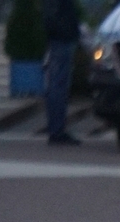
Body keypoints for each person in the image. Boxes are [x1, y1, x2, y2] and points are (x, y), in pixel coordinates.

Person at [38, 0, 78, 144]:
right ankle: (57, 130)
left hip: (59, 36)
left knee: (56, 84)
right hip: (62, 37)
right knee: (58, 85)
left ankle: (55, 128)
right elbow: (54, 14)